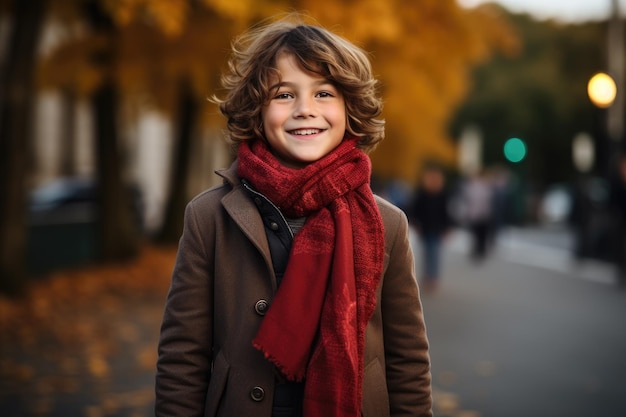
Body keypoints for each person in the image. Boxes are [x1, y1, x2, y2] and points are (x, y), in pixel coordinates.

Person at [155, 15, 433, 417]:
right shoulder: (209, 217)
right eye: (284, 94)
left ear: (350, 108)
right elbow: (183, 355)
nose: (305, 110)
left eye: (324, 94)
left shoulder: (387, 224)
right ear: (257, 109)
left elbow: (407, 361)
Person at [407, 164, 452, 291]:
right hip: (425, 227)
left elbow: (445, 212)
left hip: (436, 228)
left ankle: (433, 277)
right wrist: (415, 223)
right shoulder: (422, 193)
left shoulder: (442, 194)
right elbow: (415, 210)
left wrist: (447, 227)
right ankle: (429, 276)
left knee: (434, 253)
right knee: (428, 253)